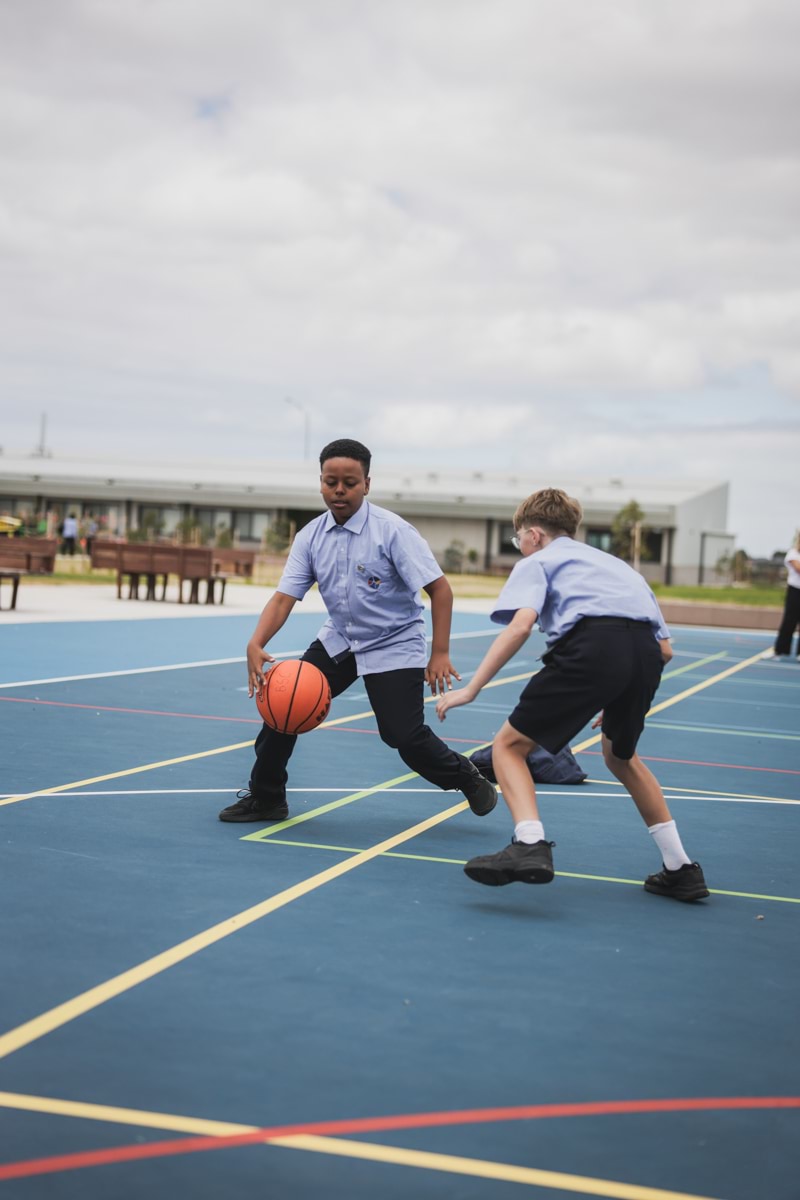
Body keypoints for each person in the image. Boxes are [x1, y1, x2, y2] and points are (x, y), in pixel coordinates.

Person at [436, 487, 709, 903]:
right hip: (643, 655)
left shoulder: (540, 561)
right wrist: (613, 689)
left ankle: (529, 843)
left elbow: (520, 626)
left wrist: (472, 689)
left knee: (508, 746)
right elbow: (665, 649)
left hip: (592, 645)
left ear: (535, 535)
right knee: (621, 757)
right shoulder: (620, 568)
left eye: (518, 541)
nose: (521, 549)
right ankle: (681, 868)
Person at [219, 438, 497, 824]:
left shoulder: (393, 532)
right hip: (342, 639)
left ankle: (465, 776)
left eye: (349, 482)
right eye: (330, 481)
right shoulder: (310, 537)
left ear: (367, 484)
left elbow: (440, 590)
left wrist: (440, 653)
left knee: (402, 736)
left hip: (394, 640)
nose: (339, 490)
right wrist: (256, 642)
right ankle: (267, 798)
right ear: (320, 482)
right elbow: (284, 598)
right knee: (283, 707)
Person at [772, 531, 800, 660]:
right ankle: (780, 650)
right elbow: (798, 568)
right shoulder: (793, 553)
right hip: (794, 591)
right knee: (789, 621)